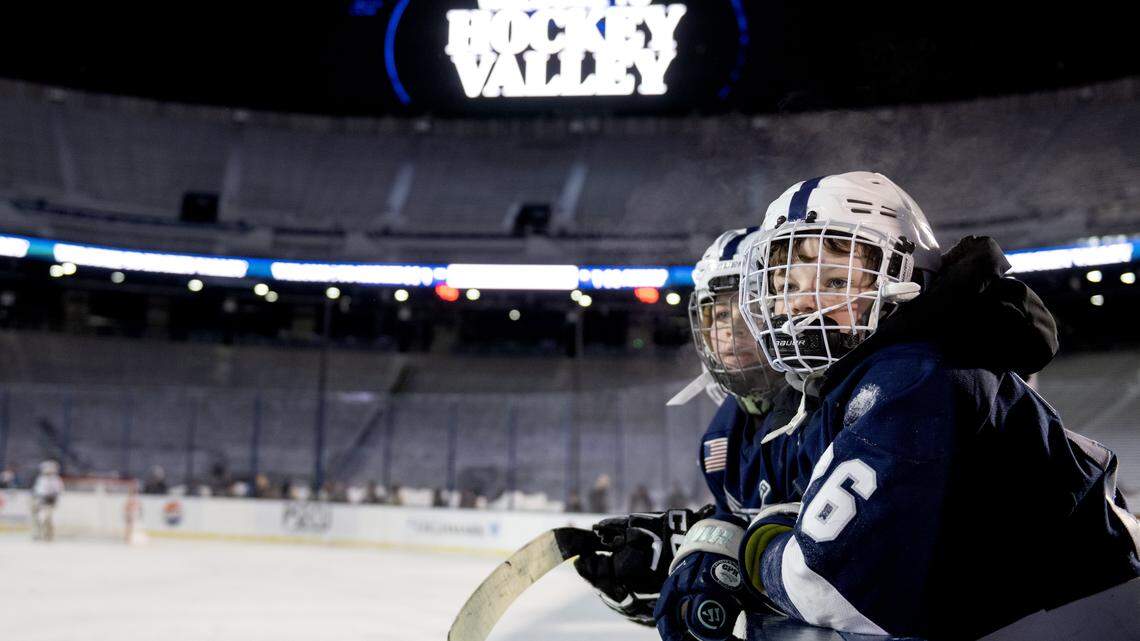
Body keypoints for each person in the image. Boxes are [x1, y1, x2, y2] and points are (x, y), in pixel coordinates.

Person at [655, 171, 1140, 641]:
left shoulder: (919, 376)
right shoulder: (841, 385)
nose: (800, 305)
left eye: (833, 281)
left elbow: (834, 587)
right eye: (788, 285)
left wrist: (746, 553)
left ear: (903, 277)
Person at [573, 228, 801, 630]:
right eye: (716, 313)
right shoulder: (720, 438)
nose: (727, 329)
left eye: (746, 307)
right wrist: (676, 575)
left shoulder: (823, 410)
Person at [31, 460, 64, 541]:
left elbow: (59, 491)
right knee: (37, 518)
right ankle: (38, 533)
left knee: (47, 518)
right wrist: (37, 501)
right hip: (40, 501)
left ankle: (48, 535)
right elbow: (37, 491)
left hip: (50, 502)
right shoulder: (41, 479)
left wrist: (53, 499)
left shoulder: (56, 480)